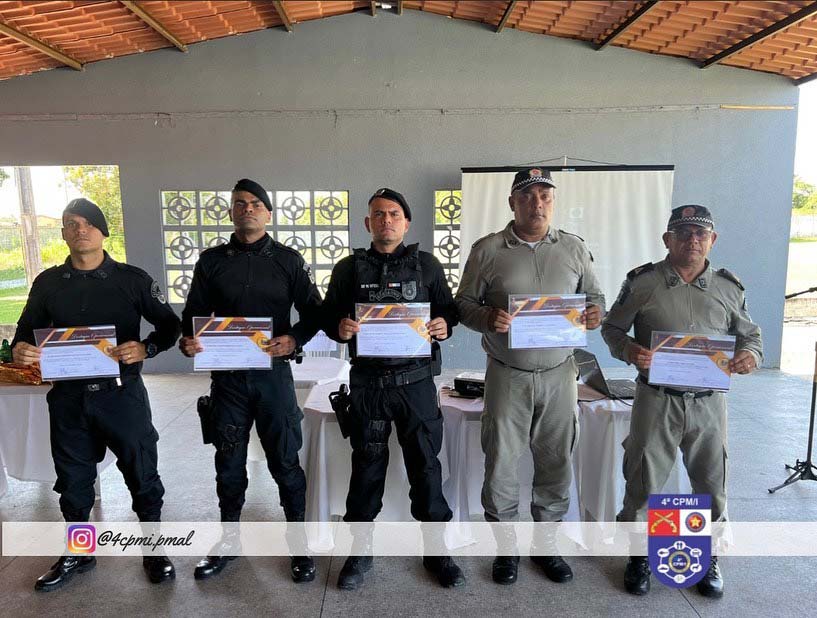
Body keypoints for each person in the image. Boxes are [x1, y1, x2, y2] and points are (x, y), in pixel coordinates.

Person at [12, 198, 181, 591]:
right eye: (71, 224)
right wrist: (22, 349)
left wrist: (147, 348)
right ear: (64, 233)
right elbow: (24, 332)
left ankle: (154, 549)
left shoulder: (132, 279)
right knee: (73, 482)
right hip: (69, 400)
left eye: (88, 224)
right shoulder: (48, 283)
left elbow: (169, 326)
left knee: (142, 474)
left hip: (121, 396)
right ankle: (80, 551)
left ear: (103, 232)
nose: (80, 230)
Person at [601, 204, 762, 598]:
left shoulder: (728, 287)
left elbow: (751, 336)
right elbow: (611, 328)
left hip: (709, 403)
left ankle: (706, 556)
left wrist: (750, 357)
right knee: (643, 477)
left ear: (712, 240)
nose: (693, 240)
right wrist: (630, 350)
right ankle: (639, 555)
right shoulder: (643, 282)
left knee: (710, 480)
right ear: (667, 239)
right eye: (684, 233)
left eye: (701, 234)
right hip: (657, 399)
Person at [455, 168, 605, 585]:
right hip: (508, 374)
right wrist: (487, 316)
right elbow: (463, 303)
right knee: (501, 461)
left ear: (552, 201)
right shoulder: (488, 250)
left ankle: (546, 546)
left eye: (544, 195)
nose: (537, 203)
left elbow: (595, 297)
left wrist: (595, 313)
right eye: (527, 195)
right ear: (512, 203)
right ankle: (506, 549)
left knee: (556, 460)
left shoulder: (573, 248)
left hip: (561, 374)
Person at [179, 178, 322, 583]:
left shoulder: (289, 261)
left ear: (268, 213)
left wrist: (294, 339)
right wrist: (188, 342)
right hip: (227, 382)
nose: (248, 209)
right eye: (240, 203)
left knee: (285, 461)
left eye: (256, 204)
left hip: (273, 379)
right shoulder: (210, 261)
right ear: (230, 211)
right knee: (228, 462)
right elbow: (193, 315)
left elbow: (314, 312)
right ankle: (229, 540)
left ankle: (299, 544)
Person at [321, 187, 464, 590]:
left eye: (394, 214)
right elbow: (329, 313)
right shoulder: (348, 269)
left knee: (426, 467)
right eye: (379, 214)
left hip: (416, 385)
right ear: (368, 223)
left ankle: (437, 553)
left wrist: (444, 326)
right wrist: (340, 327)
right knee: (366, 469)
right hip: (368, 386)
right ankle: (359, 553)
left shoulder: (428, 266)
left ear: (406, 222)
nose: (387, 220)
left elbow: (449, 309)